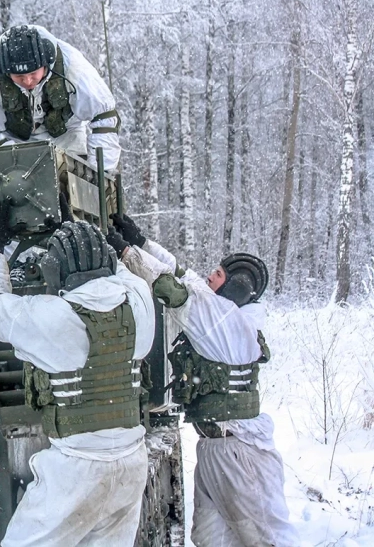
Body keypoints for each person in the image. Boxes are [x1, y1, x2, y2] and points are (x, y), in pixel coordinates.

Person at [106, 214, 300, 547]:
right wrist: (141, 243)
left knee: (265, 540)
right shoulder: (227, 314)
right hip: (217, 447)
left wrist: (126, 253)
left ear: (235, 287)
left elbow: (172, 289)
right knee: (211, 539)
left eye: (219, 274)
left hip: (239, 454)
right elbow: (184, 275)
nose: (210, 275)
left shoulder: (227, 324)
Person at [0, 199, 155, 546]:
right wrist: (79, 233)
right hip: (132, 462)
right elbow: (121, 271)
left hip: (78, 470)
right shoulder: (139, 299)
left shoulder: (57, 318)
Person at [0, 24, 121, 173]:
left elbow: (104, 117)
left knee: (75, 184)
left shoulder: (72, 65)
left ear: (45, 64)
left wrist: (101, 172)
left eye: (33, 73)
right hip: (13, 142)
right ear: (7, 72)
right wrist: (16, 168)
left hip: (66, 137)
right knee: (18, 184)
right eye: (19, 76)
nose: (28, 81)